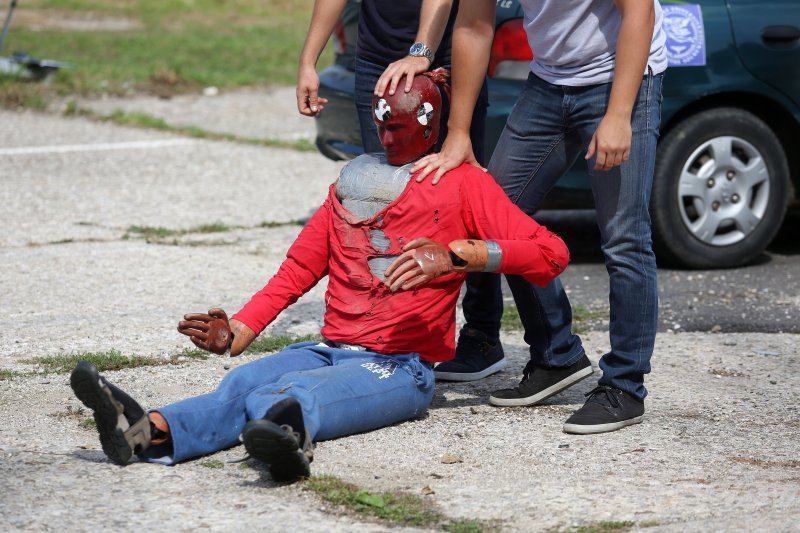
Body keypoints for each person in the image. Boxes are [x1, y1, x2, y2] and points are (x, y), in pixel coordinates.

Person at [70, 73, 570, 482]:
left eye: (398, 126)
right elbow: (300, 268)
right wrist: (241, 328)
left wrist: (464, 255)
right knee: (244, 381)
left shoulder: (462, 184)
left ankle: (288, 443)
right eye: (381, 124)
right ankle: (147, 431)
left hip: (399, 367)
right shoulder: (354, 180)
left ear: (428, 123)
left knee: (296, 393)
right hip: (328, 347)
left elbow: (551, 253)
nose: (386, 136)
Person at [412, 0, 667, 434]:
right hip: (549, 82)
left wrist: (619, 114)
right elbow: (473, 25)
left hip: (620, 76)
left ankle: (624, 386)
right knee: (497, 218)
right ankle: (557, 354)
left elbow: (639, 11)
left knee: (625, 239)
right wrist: (457, 134)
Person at [297, 1, 505, 379]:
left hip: (444, 57)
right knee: (385, 197)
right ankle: (390, 332)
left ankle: (482, 334)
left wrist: (421, 50)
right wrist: (308, 60)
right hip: (376, 62)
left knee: (462, 198)